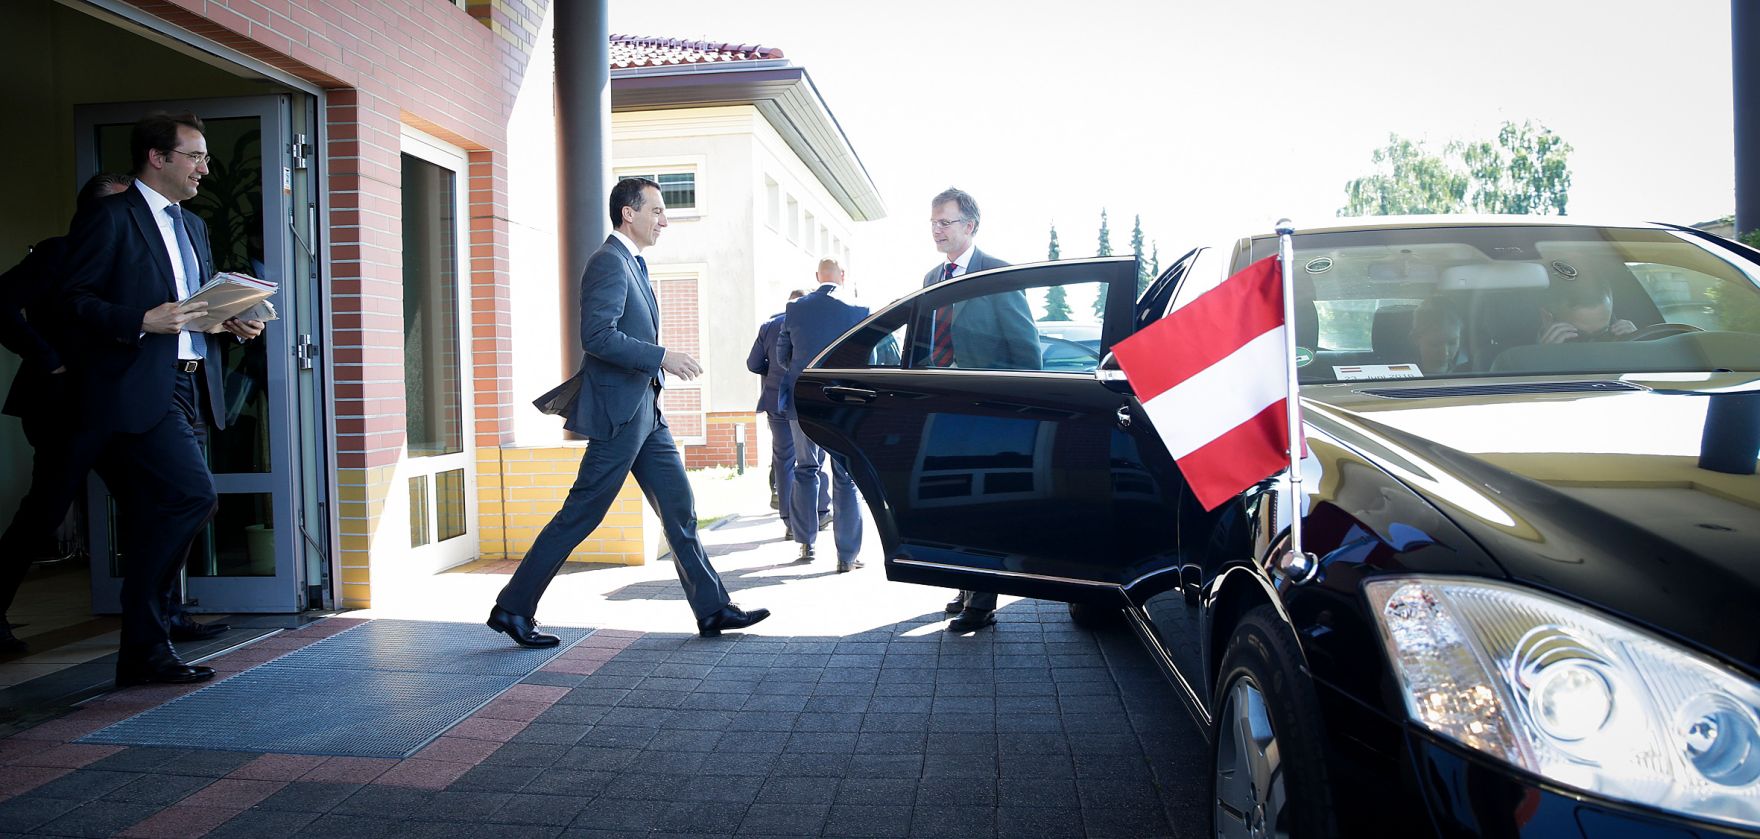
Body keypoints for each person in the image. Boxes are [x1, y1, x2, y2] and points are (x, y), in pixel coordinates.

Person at [491, 177, 770, 645]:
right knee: (581, 514)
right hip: (621, 416)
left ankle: (713, 609)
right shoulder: (609, 262)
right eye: (657, 211)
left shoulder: (632, 263)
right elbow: (597, 337)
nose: (664, 221)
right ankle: (513, 609)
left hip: (647, 413)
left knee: (680, 510)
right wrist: (662, 355)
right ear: (628, 213)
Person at [56, 112, 265, 686]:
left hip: (192, 380)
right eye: (194, 156)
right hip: (138, 388)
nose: (204, 167)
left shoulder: (193, 226)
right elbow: (69, 301)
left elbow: (188, 307)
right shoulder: (110, 218)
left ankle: (144, 649)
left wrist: (227, 321)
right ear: (157, 158)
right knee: (192, 498)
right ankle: (146, 629)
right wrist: (138, 320)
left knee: (168, 507)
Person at [0, 173, 132, 653]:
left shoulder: (128, 257)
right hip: (61, 405)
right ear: (97, 213)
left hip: (116, 401)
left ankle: (162, 615)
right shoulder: (59, 253)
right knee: (44, 514)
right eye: (122, 206)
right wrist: (45, 356)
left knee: (158, 503)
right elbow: (0, 304)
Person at [921, 187, 1036, 630]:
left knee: (983, 504)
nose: (936, 229)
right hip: (945, 410)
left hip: (990, 413)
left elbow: (1026, 350)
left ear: (970, 226)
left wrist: (1023, 413)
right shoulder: (931, 278)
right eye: (932, 222)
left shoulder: (998, 274)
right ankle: (968, 585)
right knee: (953, 501)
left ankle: (983, 604)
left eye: (944, 221)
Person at [778, 259, 867, 572]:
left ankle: (806, 544)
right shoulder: (860, 311)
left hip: (802, 401)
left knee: (805, 469)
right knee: (845, 476)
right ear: (843, 277)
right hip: (843, 404)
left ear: (817, 277)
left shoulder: (795, 309)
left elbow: (781, 356)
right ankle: (847, 557)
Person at [746, 289, 827, 541]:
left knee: (784, 459)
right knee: (815, 456)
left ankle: (790, 520)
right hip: (809, 400)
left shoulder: (770, 325)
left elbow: (753, 364)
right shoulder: (815, 322)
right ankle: (821, 510)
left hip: (777, 401)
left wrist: (772, 372)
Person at [1537, 274, 1635, 344]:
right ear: (1546, 318)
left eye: (1602, 335)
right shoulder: (1523, 357)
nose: (1592, 346)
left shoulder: (1620, 337)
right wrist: (1546, 357)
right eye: (1579, 336)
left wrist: (1635, 344)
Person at [1409, 297, 1463, 375]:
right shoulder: (1401, 375)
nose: (1445, 353)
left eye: (1452, 343)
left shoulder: (1470, 373)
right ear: (1415, 339)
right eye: (1435, 344)